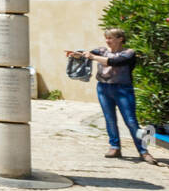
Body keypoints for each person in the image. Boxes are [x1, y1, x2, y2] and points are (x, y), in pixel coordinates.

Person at [67, 28, 157, 163]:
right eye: (106, 38)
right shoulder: (102, 51)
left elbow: (115, 62)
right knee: (110, 119)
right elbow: (87, 54)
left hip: (123, 89)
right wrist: (76, 55)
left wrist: (93, 57)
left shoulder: (129, 53)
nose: (107, 41)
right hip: (103, 88)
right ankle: (114, 146)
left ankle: (143, 151)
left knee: (131, 121)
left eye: (111, 38)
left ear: (120, 39)